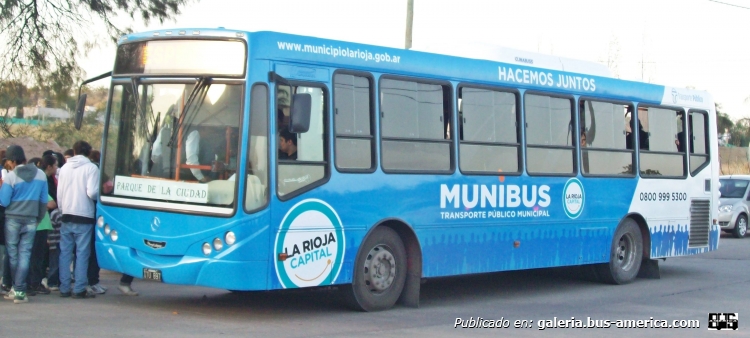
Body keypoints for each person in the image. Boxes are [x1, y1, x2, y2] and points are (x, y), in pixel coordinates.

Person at [0, 145, 49, 303]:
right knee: (25, 254)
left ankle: (18, 288)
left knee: (13, 254)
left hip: (12, 219)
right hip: (31, 219)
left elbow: (4, 200)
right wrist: (38, 218)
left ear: (14, 161)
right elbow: (43, 202)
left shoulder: (11, 176)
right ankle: (19, 290)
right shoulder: (41, 175)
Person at [57, 141, 99, 299]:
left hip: (66, 213)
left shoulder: (65, 168)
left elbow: (60, 193)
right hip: (84, 215)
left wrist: (62, 209)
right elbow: (92, 192)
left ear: (74, 151)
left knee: (65, 253)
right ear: (88, 152)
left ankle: (64, 287)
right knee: (82, 254)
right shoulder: (91, 168)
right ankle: (80, 288)